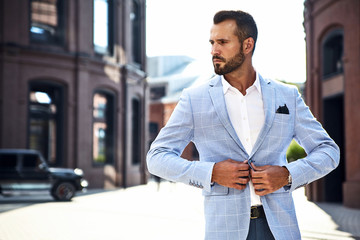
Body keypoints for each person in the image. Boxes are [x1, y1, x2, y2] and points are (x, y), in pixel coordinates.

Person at [147, 10, 340, 240]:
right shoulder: (194, 99)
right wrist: (211, 172)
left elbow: (329, 152)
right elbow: (156, 158)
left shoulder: (286, 96)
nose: (213, 51)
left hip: (280, 229)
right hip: (225, 230)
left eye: (223, 42)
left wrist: (287, 174)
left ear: (247, 45)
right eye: (212, 42)